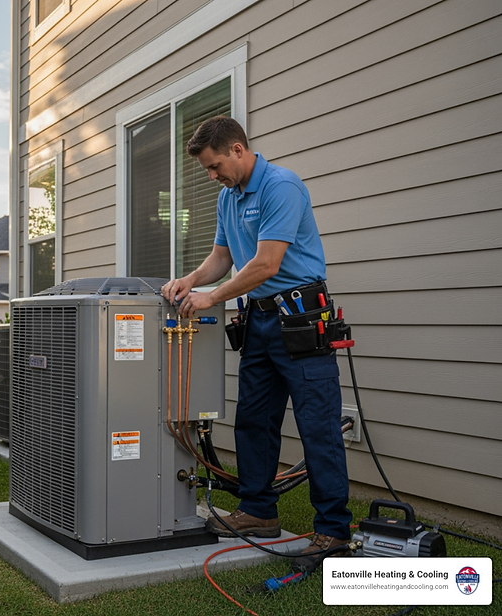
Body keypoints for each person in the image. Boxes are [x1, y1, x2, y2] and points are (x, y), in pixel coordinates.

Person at [161, 116, 352, 573]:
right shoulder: (230, 197)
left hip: (300, 320)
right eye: (208, 170)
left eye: (215, 166)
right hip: (261, 323)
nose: (212, 177)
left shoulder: (281, 186)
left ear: (238, 150)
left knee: (318, 426)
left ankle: (333, 530)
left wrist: (211, 297)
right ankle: (259, 511)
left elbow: (266, 263)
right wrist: (190, 280)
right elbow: (222, 257)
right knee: (253, 421)